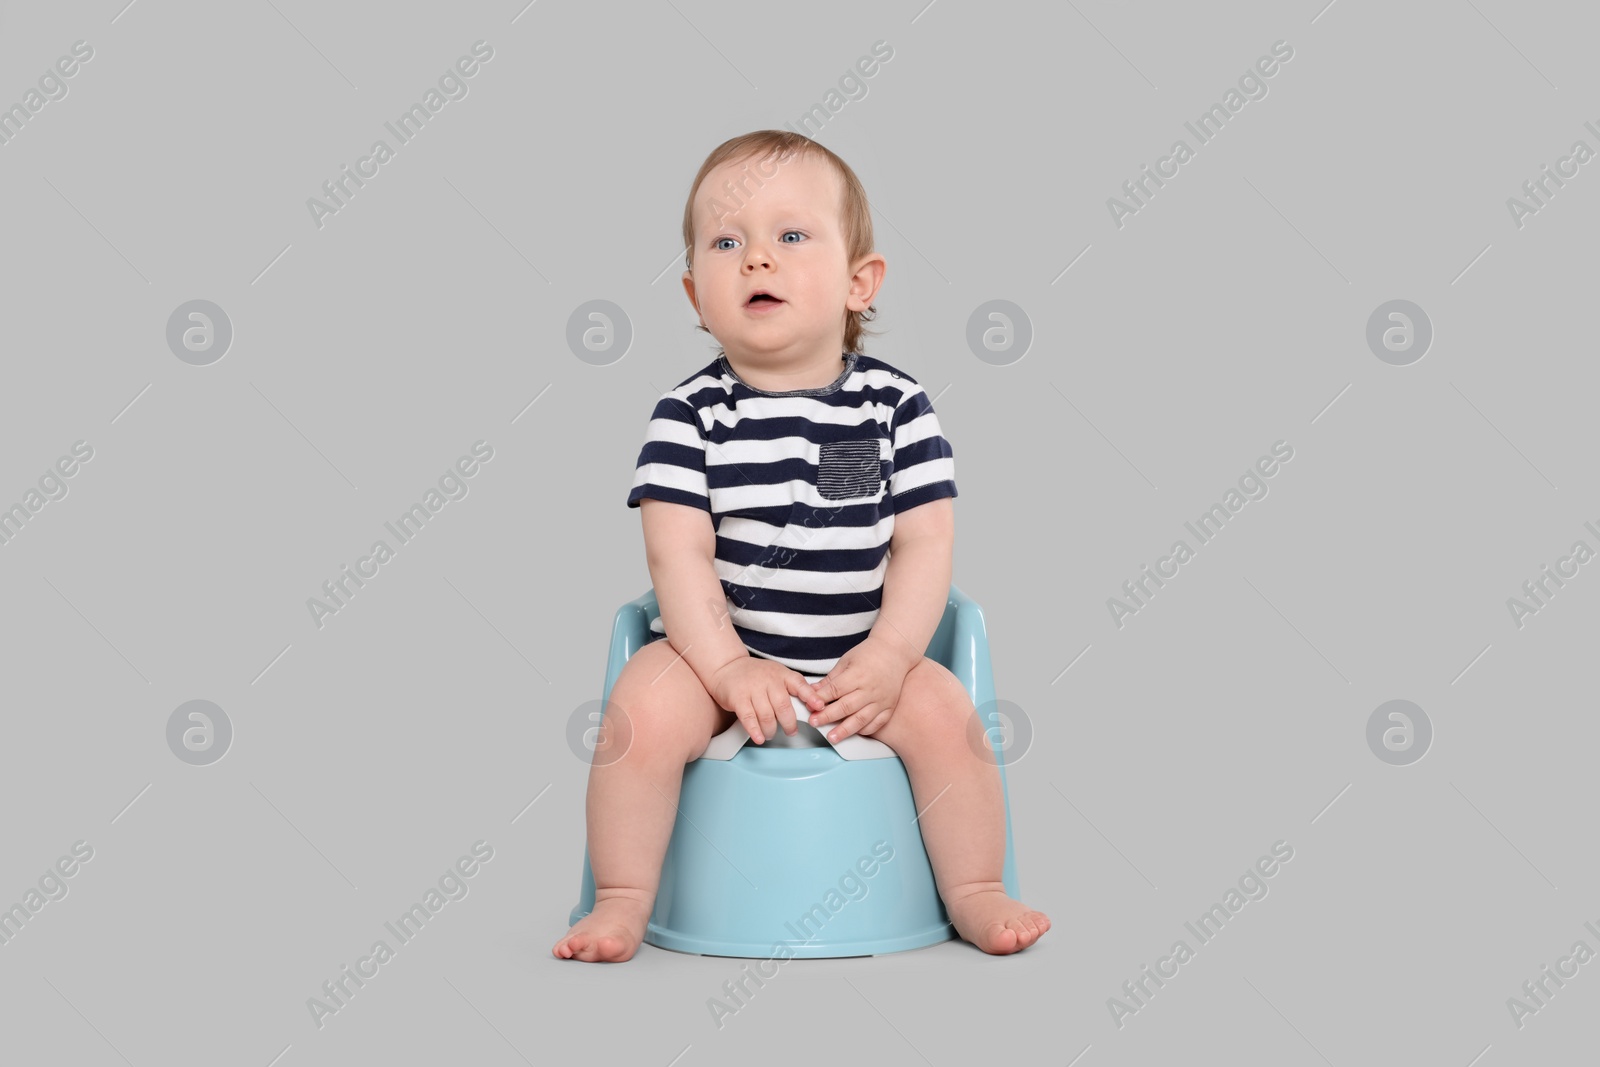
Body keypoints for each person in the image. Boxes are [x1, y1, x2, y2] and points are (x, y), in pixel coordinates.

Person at [553, 130, 1050, 962]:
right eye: (726, 242)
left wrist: (893, 655)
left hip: (863, 662)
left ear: (860, 282)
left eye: (790, 236)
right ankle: (625, 896)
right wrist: (724, 668)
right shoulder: (689, 417)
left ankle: (975, 888)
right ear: (693, 294)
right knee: (638, 712)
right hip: (721, 659)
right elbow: (676, 557)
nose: (756, 260)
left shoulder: (894, 407)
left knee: (947, 719)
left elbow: (925, 542)